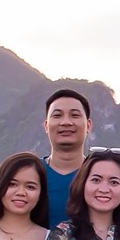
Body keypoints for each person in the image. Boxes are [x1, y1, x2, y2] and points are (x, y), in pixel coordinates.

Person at [41, 88, 93, 221]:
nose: (66, 122)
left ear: (88, 125)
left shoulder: (100, 176)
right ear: (46, 125)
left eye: (74, 115)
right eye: (57, 115)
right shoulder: (29, 173)